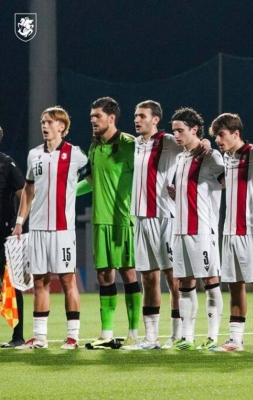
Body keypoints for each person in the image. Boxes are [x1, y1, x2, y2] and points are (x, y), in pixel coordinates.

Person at [13, 106, 88, 349]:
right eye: (42, 122)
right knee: (39, 282)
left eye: (49, 122)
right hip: (37, 228)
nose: (44, 126)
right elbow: (28, 190)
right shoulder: (34, 154)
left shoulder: (76, 154)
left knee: (68, 281)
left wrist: (74, 194)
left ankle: (73, 336)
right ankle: (40, 337)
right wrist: (19, 222)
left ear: (62, 127)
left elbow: (94, 179)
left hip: (63, 230)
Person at [78, 97, 142, 350]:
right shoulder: (94, 147)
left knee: (128, 273)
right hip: (100, 220)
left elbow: (147, 174)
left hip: (123, 220)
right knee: (104, 275)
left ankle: (134, 334)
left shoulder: (129, 144)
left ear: (111, 118)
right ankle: (106, 334)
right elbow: (91, 181)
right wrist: (65, 192)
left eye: (97, 116)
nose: (93, 120)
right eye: (91, 117)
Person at [209, 113, 253, 352]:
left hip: (252, 231)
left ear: (236, 133)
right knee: (235, 286)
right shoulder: (226, 158)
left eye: (221, 135)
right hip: (229, 231)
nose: (218, 140)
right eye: (215, 136)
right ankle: (235, 339)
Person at [122, 100, 181, 350]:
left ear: (155, 119)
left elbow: (193, 144)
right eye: (136, 115)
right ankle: (151, 338)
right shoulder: (136, 143)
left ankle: (178, 335)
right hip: (141, 218)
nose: (137, 120)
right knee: (147, 278)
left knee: (173, 278)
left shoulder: (167, 141)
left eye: (142, 116)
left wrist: (206, 144)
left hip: (164, 217)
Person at [169, 107, 224, 350]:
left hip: (202, 229)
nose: (176, 135)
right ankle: (187, 337)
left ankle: (212, 337)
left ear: (194, 130)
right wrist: (177, 195)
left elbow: (229, 183)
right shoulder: (180, 158)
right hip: (180, 230)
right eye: (174, 131)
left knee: (211, 281)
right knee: (185, 283)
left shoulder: (210, 156)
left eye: (180, 130)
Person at [0, 125, 26, 348]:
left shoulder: (6, 164)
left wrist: (19, 223)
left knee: (12, 282)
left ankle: (18, 336)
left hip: (4, 232)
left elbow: (23, 194)